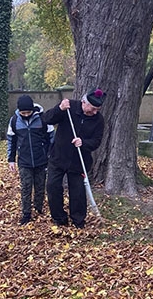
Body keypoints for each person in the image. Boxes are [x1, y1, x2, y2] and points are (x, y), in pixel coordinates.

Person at [42, 88, 106, 228]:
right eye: (93, 108)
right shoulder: (69, 107)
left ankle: (78, 220)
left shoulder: (98, 120)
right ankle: (59, 219)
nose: (95, 112)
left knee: (77, 192)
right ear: (84, 102)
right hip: (58, 157)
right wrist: (59, 108)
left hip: (79, 161)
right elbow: (47, 119)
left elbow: (96, 141)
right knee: (53, 187)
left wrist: (83, 142)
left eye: (98, 109)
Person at [7, 95, 54, 225]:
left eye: (28, 112)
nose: (26, 115)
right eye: (23, 113)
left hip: (41, 159)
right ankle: (26, 213)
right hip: (24, 161)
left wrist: (50, 155)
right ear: (19, 111)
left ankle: (38, 208)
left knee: (40, 186)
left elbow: (51, 138)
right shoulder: (14, 121)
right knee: (26, 187)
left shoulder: (43, 119)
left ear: (33, 109)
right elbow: (11, 140)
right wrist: (11, 160)